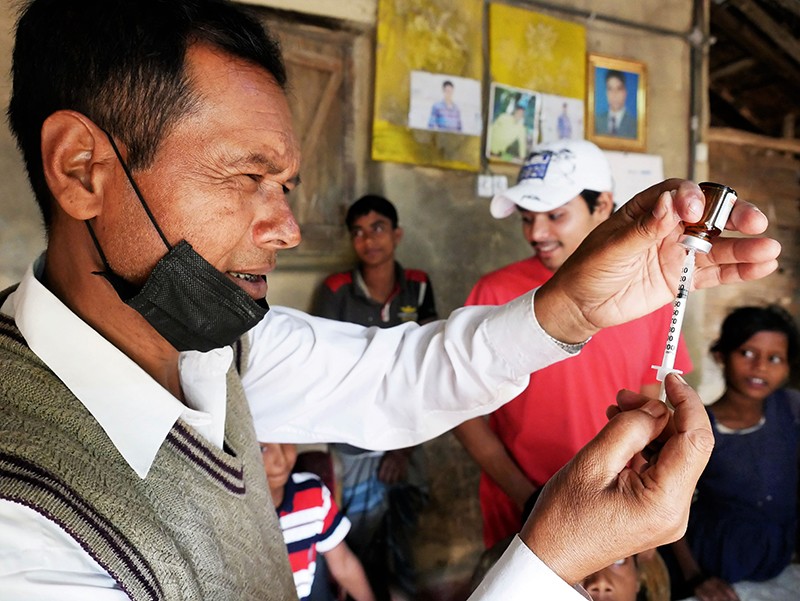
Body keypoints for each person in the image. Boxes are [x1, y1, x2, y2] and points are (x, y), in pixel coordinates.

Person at [0, 0, 781, 599]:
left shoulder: (221, 352)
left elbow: (402, 371)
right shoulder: (23, 527)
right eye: (246, 176)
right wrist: (553, 560)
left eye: (285, 186)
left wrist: (573, 307)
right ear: (80, 169)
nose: (285, 227)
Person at [455, 139, 693, 550]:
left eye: (555, 215)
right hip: (517, 504)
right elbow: (462, 410)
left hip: (610, 507)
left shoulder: (649, 293)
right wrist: (526, 496)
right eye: (527, 219)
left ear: (602, 204)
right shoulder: (495, 291)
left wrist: (633, 499)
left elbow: (650, 402)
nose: (537, 233)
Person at [314, 194, 435, 599]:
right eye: (359, 232)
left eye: (378, 228)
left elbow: (429, 364)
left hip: (407, 430)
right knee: (359, 533)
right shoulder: (336, 290)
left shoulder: (417, 286)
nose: (369, 240)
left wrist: (403, 449)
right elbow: (329, 369)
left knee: (404, 531)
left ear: (397, 234)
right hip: (355, 435)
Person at [664, 305, 800, 601]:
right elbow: (670, 506)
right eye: (747, 353)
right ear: (721, 355)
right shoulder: (699, 427)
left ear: (788, 367)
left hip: (777, 562)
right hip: (713, 566)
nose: (760, 367)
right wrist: (695, 577)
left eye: (774, 358)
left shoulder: (791, 410)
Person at [260, 441, 375, 601]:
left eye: (285, 441)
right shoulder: (230, 511)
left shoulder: (312, 494)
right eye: (262, 449)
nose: (281, 461)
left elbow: (343, 564)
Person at [596, 70, 637, 138]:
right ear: (606, 93)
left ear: (625, 92)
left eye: (619, 89)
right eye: (610, 89)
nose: (614, 94)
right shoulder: (596, 122)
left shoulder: (635, 125)